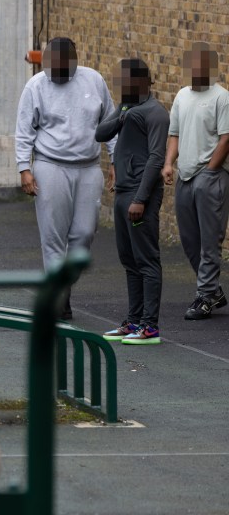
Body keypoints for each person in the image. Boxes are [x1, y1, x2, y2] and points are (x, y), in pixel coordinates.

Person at [15, 37, 116, 320]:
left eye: (61, 66)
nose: (55, 72)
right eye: (50, 66)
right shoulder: (35, 86)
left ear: (74, 61)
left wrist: (116, 160)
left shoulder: (93, 81)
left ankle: (63, 286)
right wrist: (25, 167)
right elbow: (24, 129)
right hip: (51, 165)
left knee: (84, 233)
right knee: (53, 236)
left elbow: (110, 122)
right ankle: (58, 298)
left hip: (88, 167)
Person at [96, 58, 169, 344]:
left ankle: (150, 327)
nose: (120, 85)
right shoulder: (126, 108)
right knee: (129, 260)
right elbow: (100, 134)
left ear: (140, 81)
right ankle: (134, 320)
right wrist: (121, 114)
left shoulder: (156, 113)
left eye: (125, 80)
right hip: (123, 191)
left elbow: (155, 158)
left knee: (146, 259)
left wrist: (140, 199)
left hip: (141, 195)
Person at [162, 42, 229, 321]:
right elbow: (174, 134)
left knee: (210, 241)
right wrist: (168, 163)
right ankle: (213, 291)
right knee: (190, 241)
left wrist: (211, 170)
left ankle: (204, 296)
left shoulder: (221, 97)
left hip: (210, 177)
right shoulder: (181, 96)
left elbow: (226, 138)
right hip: (185, 177)